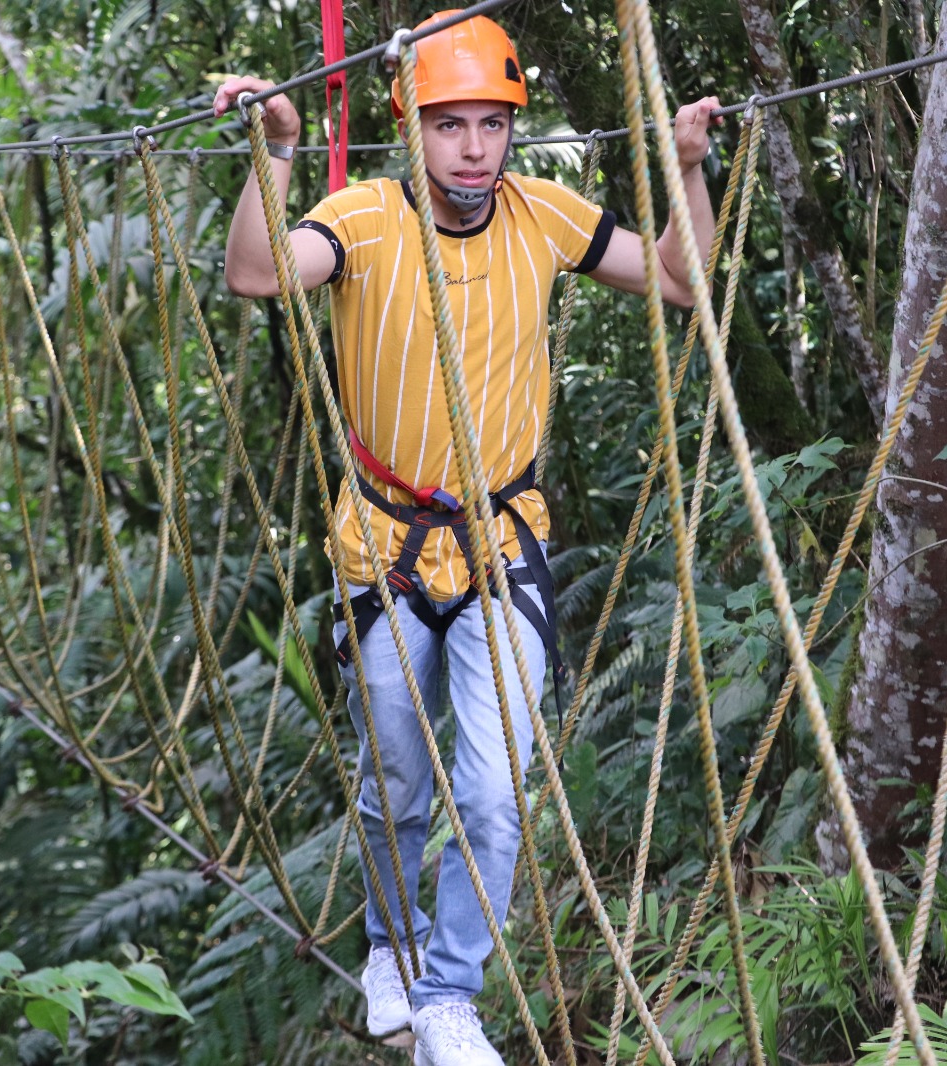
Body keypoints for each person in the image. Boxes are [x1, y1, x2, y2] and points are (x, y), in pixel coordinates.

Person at [215, 12, 717, 1064]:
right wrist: (273, 148)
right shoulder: (359, 218)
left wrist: (684, 168)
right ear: (412, 127)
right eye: (451, 126)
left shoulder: (542, 213)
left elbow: (678, 281)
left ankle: (448, 993)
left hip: (499, 547)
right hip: (384, 549)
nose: (475, 147)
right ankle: (391, 945)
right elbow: (259, 275)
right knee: (395, 779)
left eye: (492, 123)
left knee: (491, 792)